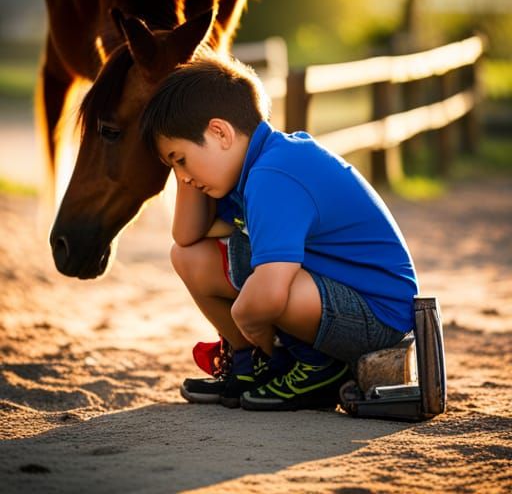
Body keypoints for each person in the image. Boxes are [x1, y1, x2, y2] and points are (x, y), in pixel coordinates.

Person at [140, 53, 418, 411]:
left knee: (263, 283)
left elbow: (270, 291)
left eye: (180, 160)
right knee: (190, 257)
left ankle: (319, 367)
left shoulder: (274, 174)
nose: (182, 177)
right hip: (334, 296)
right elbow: (187, 237)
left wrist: (252, 326)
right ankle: (248, 363)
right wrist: (190, 172)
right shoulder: (245, 171)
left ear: (220, 132)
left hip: (377, 318)